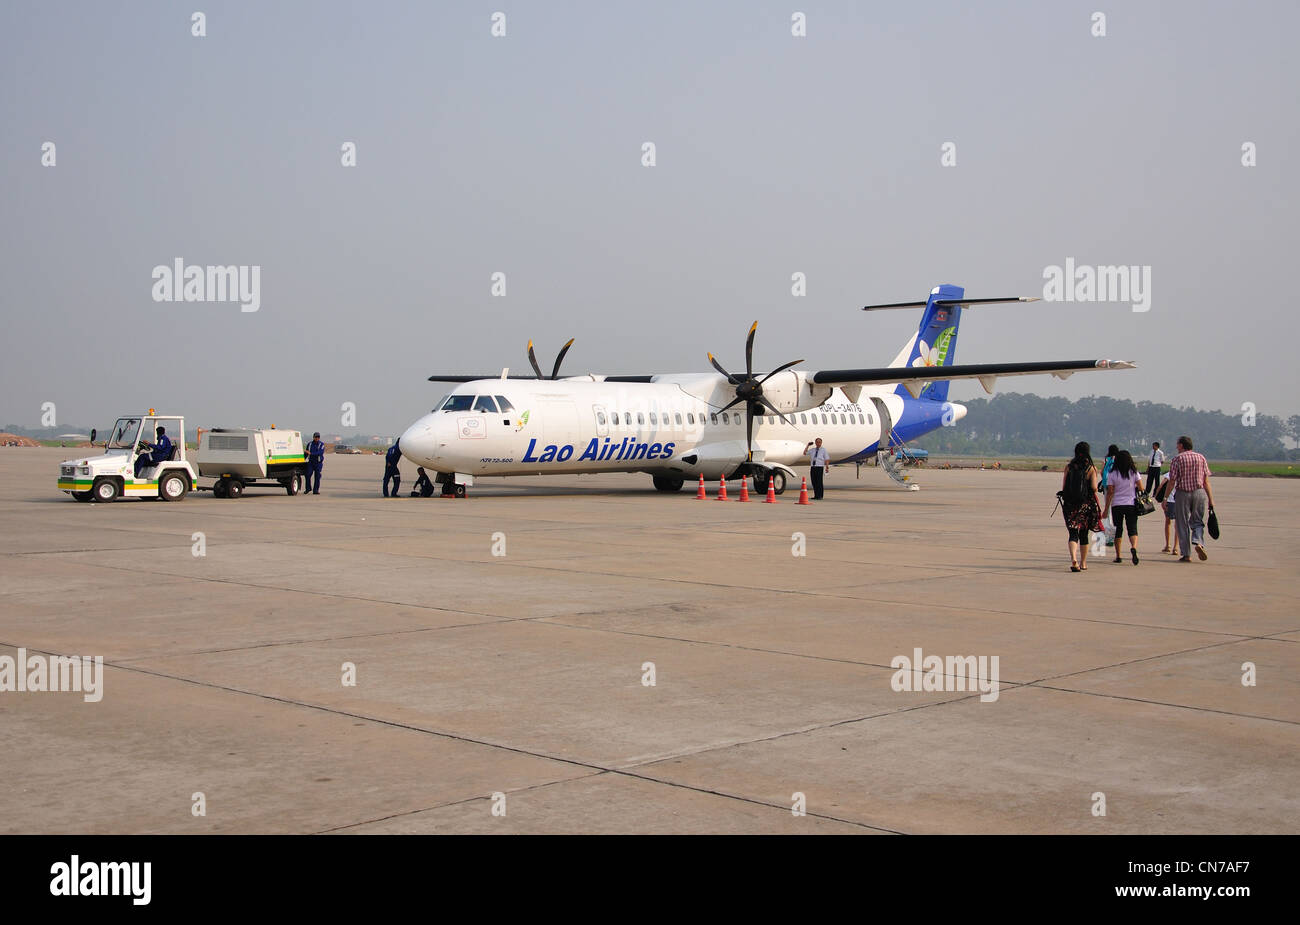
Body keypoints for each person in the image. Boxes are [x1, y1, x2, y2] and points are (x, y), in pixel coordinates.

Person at [1166, 435, 1216, 562]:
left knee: (1182, 523)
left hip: (1183, 493)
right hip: (1199, 493)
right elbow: (1206, 481)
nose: (1176, 447)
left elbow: (1172, 481)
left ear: (1182, 445)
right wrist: (1211, 499)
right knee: (1197, 521)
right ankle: (1198, 542)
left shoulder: (1177, 459)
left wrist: (1166, 497)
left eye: (1177, 444)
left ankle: (1186, 554)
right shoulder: (1201, 457)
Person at [1060, 441, 1102, 572]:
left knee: (1073, 533)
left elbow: (1064, 487)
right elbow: (1094, 488)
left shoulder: (1069, 467)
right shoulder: (1091, 469)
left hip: (1070, 505)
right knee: (1084, 534)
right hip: (1085, 504)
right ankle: (1083, 562)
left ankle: (1074, 559)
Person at [1102, 449, 1144, 564]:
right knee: (1132, 529)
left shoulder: (1112, 473)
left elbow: (1110, 492)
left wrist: (1106, 509)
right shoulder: (1134, 472)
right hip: (1131, 504)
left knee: (1118, 530)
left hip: (1117, 505)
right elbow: (1141, 488)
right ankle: (1134, 547)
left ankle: (1118, 556)